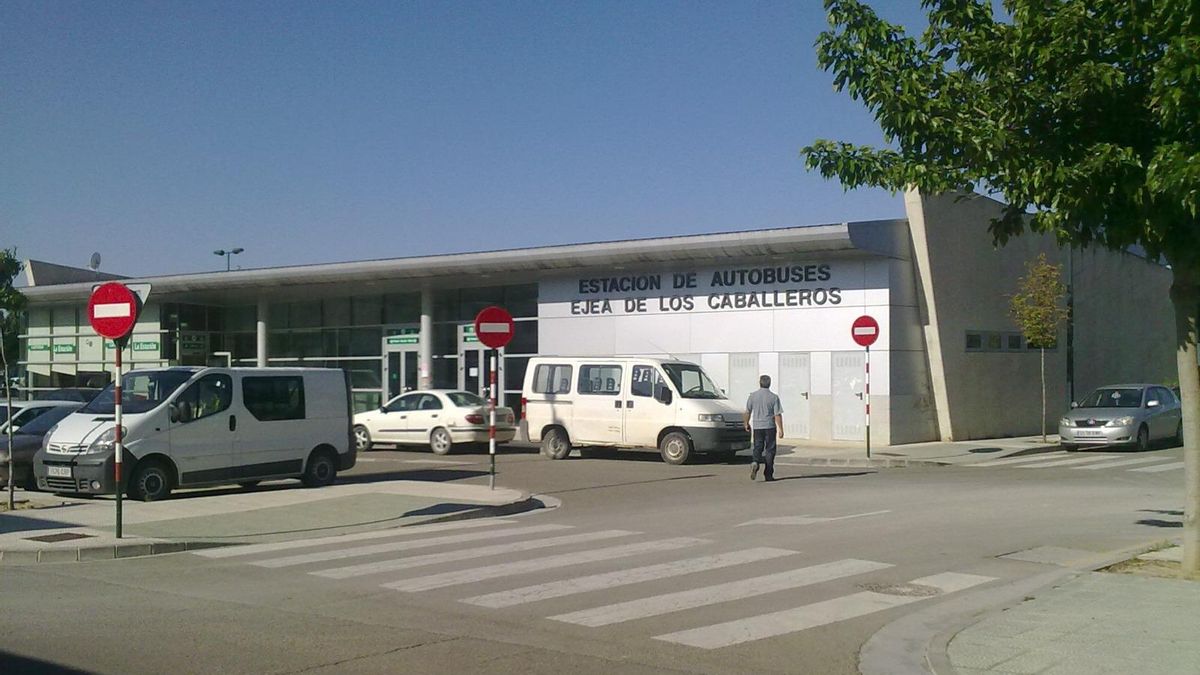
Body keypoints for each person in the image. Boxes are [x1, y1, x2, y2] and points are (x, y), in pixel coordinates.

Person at [743, 374, 784, 482]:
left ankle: (755, 462)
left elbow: (747, 411)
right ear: (769, 383)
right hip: (770, 426)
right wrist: (781, 429)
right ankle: (768, 474)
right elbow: (777, 415)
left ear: (759, 383)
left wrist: (746, 423)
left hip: (757, 426)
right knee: (770, 450)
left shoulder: (752, 396)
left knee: (758, 447)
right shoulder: (774, 397)